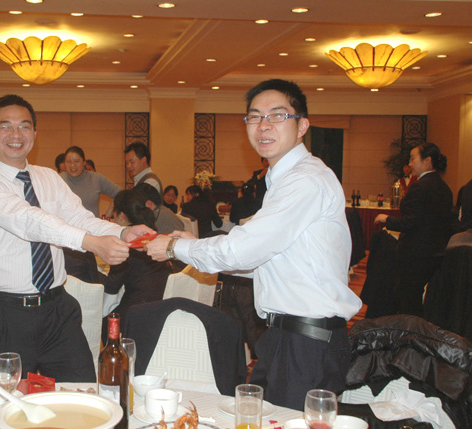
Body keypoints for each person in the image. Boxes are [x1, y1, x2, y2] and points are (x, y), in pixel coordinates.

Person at [147, 79, 361, 410]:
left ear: (302, 126)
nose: (264, 125)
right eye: (255, 116)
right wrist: (195, 244)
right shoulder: (285, 179)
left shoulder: (305, 180)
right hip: (287, 338)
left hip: (306, 343)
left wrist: (175, 249)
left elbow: (244, 250)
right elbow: (267, 260)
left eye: (278, 115)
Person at [0, 94, 152, 381]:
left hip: (57, 310)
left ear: (35, 133)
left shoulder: (49, 177)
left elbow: (80, 217)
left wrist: (122, 231)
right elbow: (27, 220)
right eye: (5, 126)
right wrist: (90, 243)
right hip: (5, 314)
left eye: (24, 126)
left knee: (82, 394)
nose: (16, 135)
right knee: (7, 403)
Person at [375, 142, 455, 316]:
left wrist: (387, 219)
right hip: (436, 253)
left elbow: (410, 222)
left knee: (408, 300)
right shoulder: (444, 188)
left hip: (416, 254)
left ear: (427, 160)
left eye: (412, 159)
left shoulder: (420, 187)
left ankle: (409, 330)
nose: (409, 164)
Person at [101, 189, 179, 342]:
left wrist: (93, 273)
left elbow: (111, 286)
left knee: (104, 323)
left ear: (121, 216)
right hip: (161, 306)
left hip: (138, 313)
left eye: (114, 216)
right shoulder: (151, 233)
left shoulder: (129, 244)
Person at [60, 146, 121, 218]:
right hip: (66, 225)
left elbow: (119, 193)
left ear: (84, 162)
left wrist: (108, 215)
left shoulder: (96, 178)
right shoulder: (58, 179)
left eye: (77, 161)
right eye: (69, 162)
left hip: (92, 224)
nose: (73, 165)